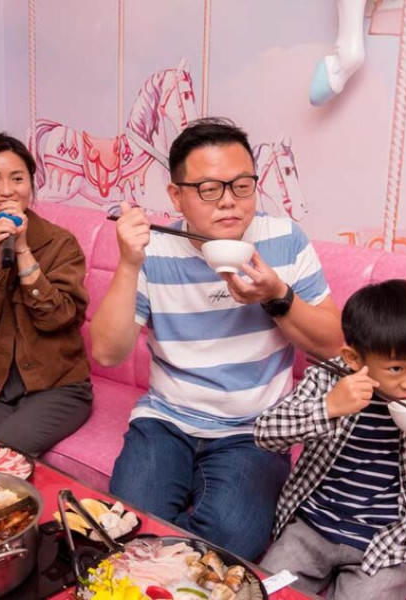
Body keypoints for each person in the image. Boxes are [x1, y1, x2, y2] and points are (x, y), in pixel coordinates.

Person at [90, 117, 343, 560]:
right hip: (166, 419)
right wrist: (129, 263)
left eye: (242, 186)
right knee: (126, 527)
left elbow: (335, 346)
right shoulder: (155, 248)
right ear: (176, 196)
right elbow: (107, 353)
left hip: (256, 429)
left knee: (232, 542)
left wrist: (277, 296)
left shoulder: (284, 239)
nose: (229, 202)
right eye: (209, 189)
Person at [256, 279, 406, 600]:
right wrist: (329, 407)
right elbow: (265, 433)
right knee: (267, 591)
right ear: (353, 358)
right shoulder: (328, 378)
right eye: (396, 368)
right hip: (313, 527)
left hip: (391, 542)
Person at [0, 133, 92, 457]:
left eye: (18, 179)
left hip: (58, 388)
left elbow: (59, 318)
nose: (7, 190)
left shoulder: (60, 243)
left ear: (31, 185)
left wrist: (22, 251)